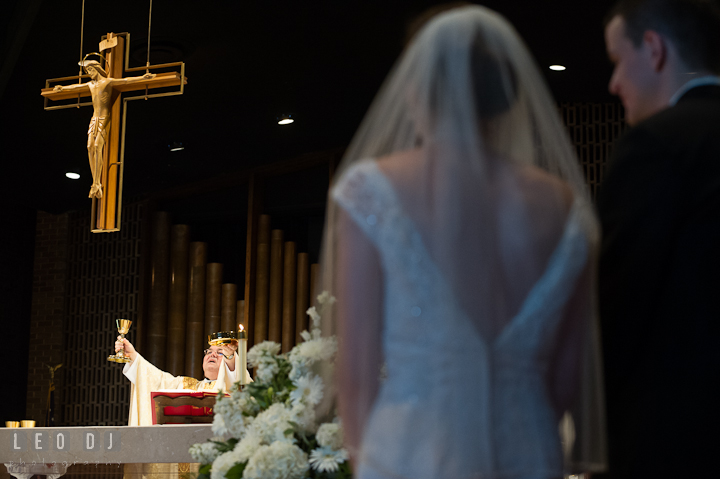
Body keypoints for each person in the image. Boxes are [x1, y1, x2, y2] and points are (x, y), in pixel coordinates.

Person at [321, 5, 606, 479]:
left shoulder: (372, 191)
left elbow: (355, 377)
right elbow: (565, 379)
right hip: (528, 452)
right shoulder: (565, 208)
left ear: (414, 86)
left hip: (410, 456)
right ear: (506, 95)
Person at [599, 1, 720, 477]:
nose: (614, 84)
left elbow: (618, 308)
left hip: (679, 440)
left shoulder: (656, 144)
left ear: (653, 49)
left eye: (616, 60)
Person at [53, 60, 155, 199]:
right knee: (89, 146)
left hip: (104, 117)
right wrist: (62, 88)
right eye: (87, 71)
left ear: (97, 69)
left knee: (97, 146)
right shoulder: (90, 84)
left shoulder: (107, 82)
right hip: (94, 118)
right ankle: (95, 183)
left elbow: (125, 81)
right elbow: (76, 87)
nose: (89, 73)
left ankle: (96, 183)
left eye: (91, 69)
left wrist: (142, 78)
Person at [114, 338, 251, 426]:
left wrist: (231, 357)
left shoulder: (232, 386)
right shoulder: (186, 385)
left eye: (220, 352)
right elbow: (156, 380)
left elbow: (240, 384)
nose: (212, 355)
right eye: (209, 351)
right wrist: (132, 356)